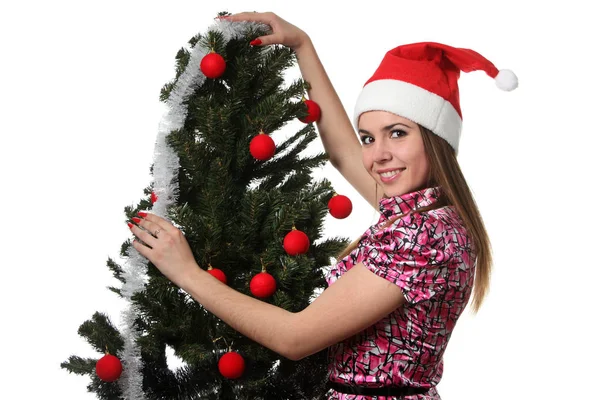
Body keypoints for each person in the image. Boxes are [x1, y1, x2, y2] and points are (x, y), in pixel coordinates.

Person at [128, 11, 517, 400]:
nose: (378, 155)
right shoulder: (432, 214)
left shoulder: (420, 235)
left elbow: (295, 337)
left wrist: (187, 273)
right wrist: (302, 45)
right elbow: (346, 155)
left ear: (436, 140)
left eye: (397, 134)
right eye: (369, 138)